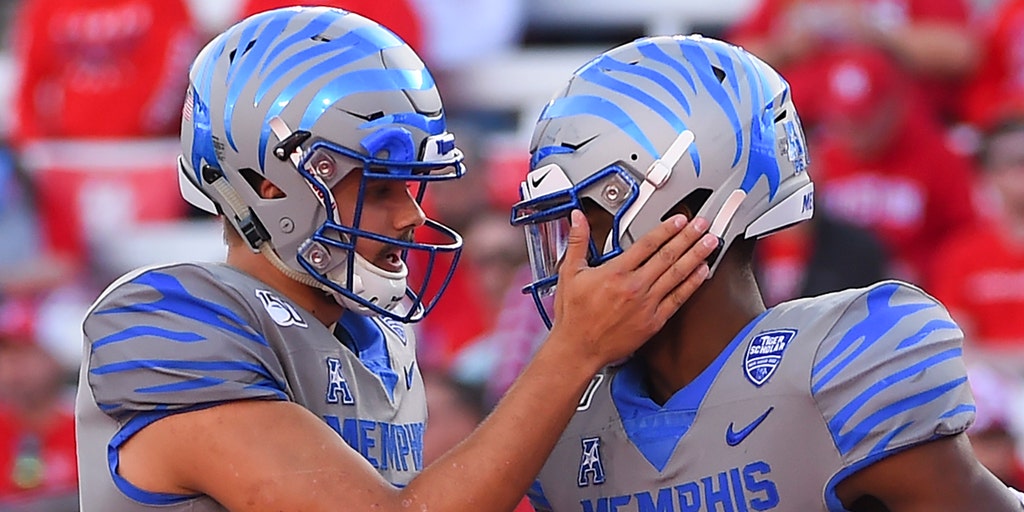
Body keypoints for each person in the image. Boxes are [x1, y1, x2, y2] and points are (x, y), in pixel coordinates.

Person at [74, 7, 719, 512]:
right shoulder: (171, 319)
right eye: (380, 190)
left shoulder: (375, 336)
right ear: (273, 187)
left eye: (413, 187)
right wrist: (574, 351)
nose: (410, 216)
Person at [510, 35, 1024, 511]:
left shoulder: (842, 368)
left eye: (589, 226)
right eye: (559, 234)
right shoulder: (565, 414)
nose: (567, 269)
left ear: (687, 208)